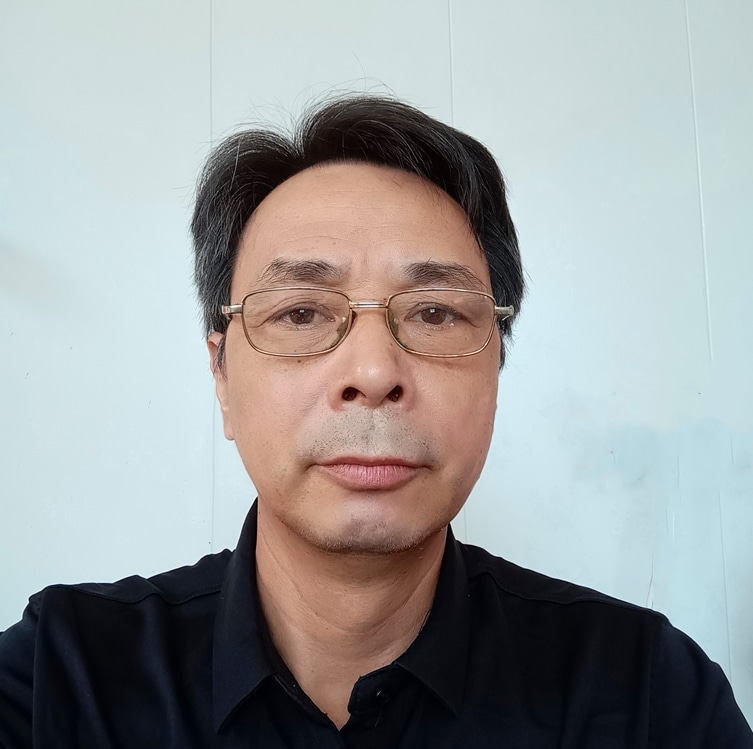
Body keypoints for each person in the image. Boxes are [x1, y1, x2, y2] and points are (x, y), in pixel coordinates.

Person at [0, 95, 750, 748]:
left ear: (497, 366)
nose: (372, 372)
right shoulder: (59, 681)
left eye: (434, 313)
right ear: (222, 376)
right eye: (301, 312)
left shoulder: (646, 694)